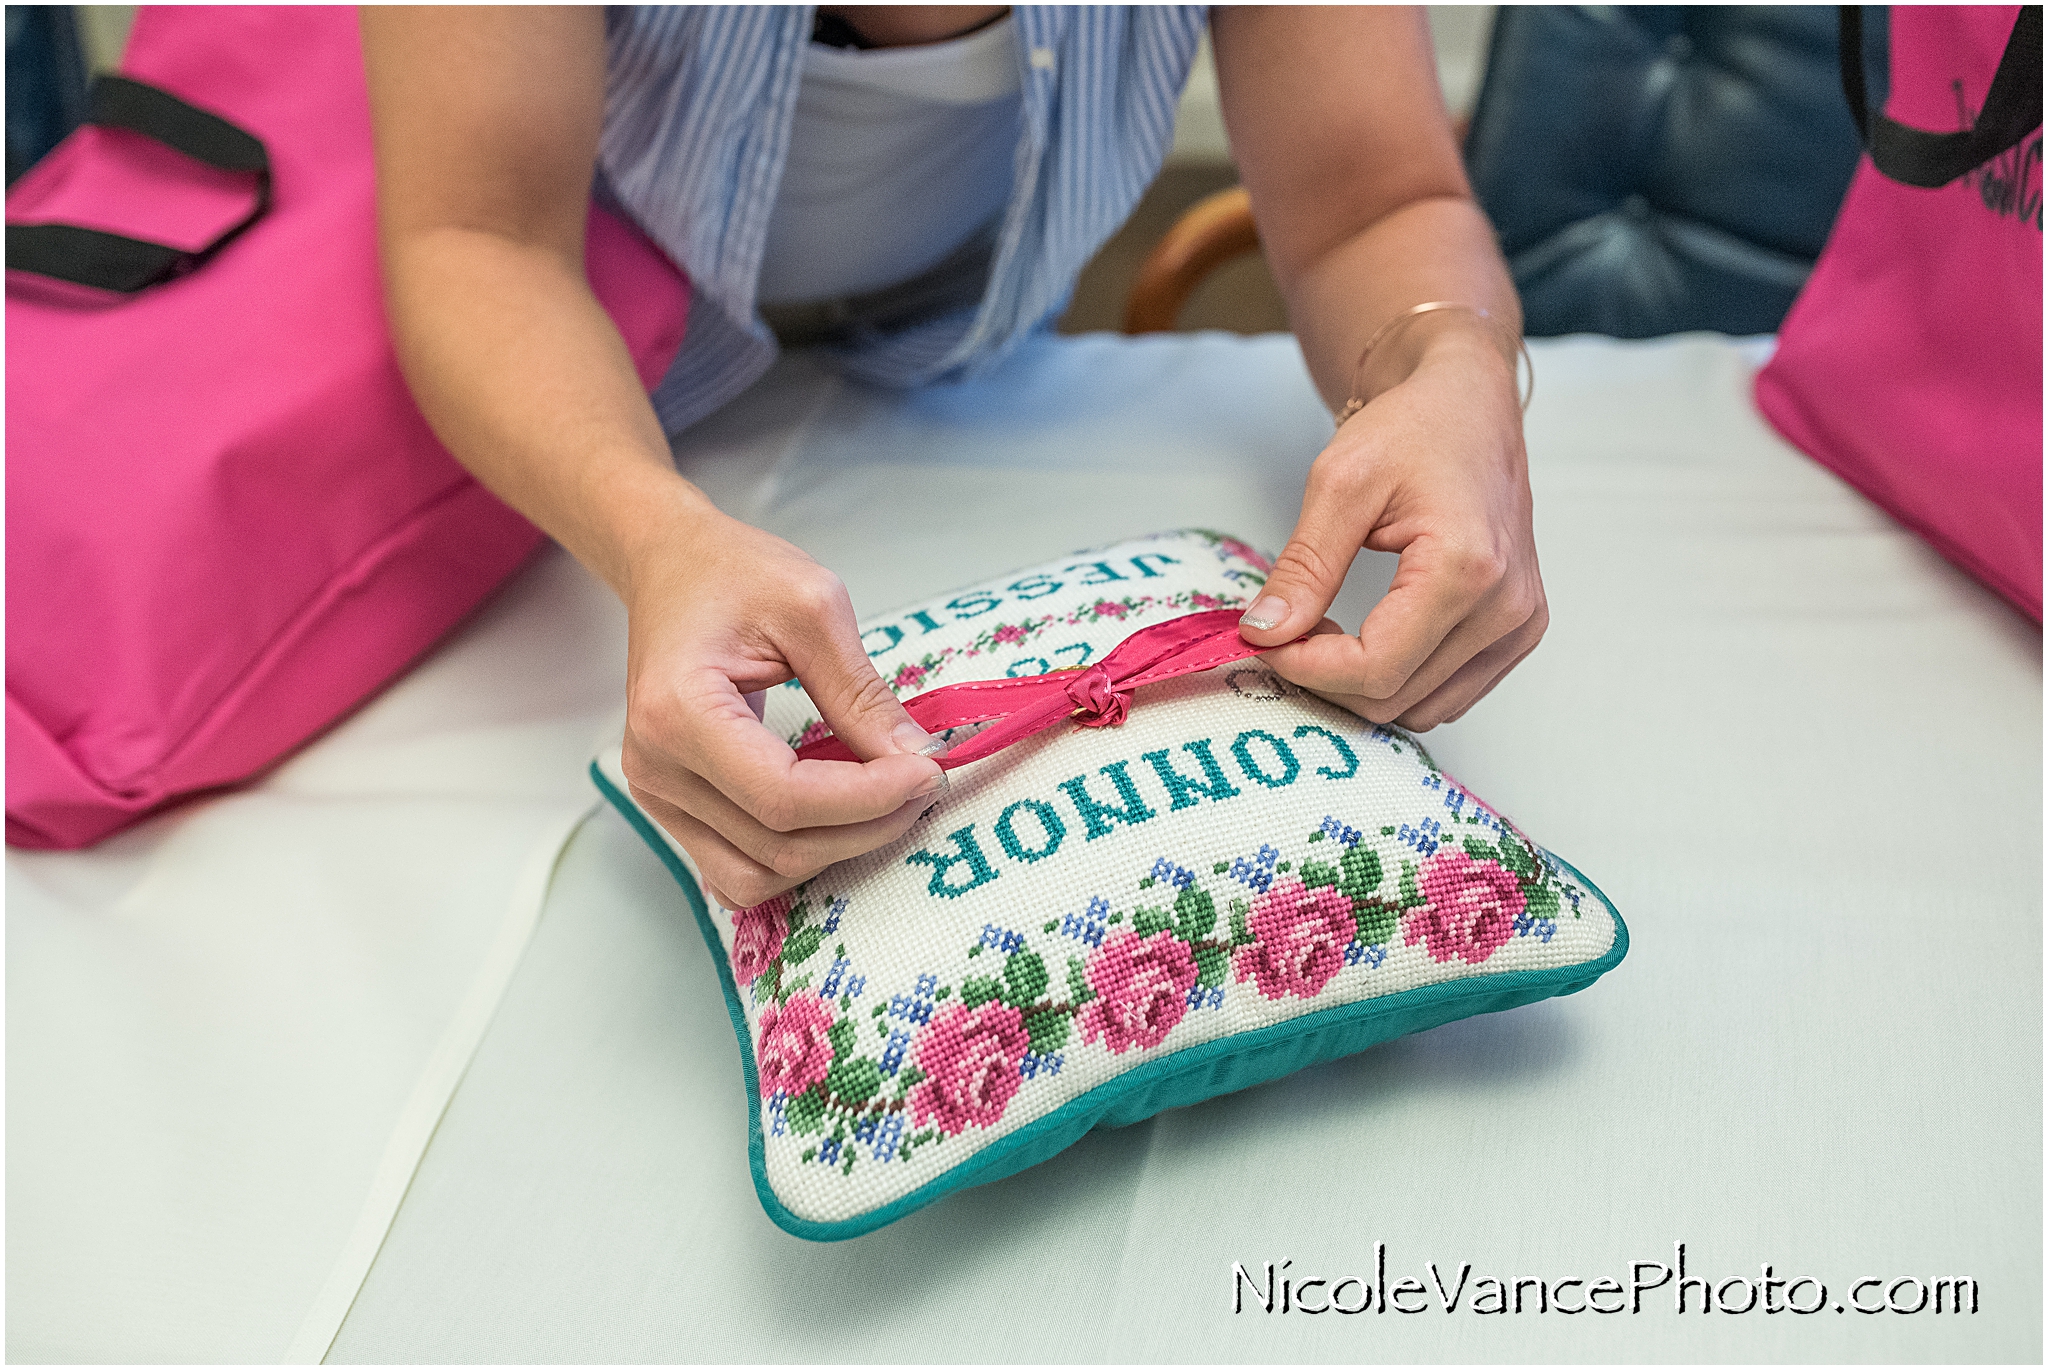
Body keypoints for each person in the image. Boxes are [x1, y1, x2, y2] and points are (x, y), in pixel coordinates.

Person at [360, 5, 1546, 912]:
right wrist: (651, 533)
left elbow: (1373, 204)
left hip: (975, 404)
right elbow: (480, 235)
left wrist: (1452, 369)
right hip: (564, 438)